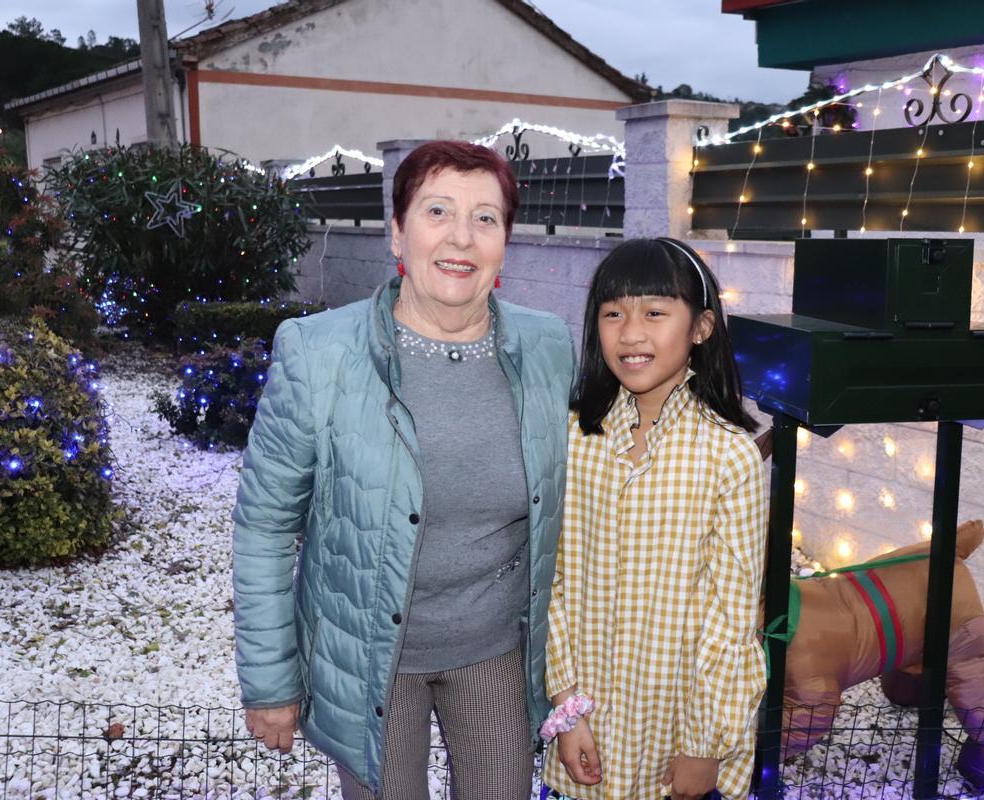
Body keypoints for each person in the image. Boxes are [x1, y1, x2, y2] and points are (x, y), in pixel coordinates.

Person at [231, 140, 575, 800]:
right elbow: (266, 528)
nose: (461, 238)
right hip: (367, 657)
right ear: (397, 231)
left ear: (506, 241)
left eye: (485, 218)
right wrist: (271, 681)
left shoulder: (547, 345)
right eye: (437, 211)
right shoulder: (319, 353)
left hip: (495, 648)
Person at [541, 238, 769, 800]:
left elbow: (732, 616)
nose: (632, 332)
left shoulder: (728, 455)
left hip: (675, 739)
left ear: (701, 327)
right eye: (613, 313)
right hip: (585, 726)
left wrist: (703, 744)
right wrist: (567, 709)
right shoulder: (573, 437)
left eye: (655, 312)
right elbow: (553, 580)